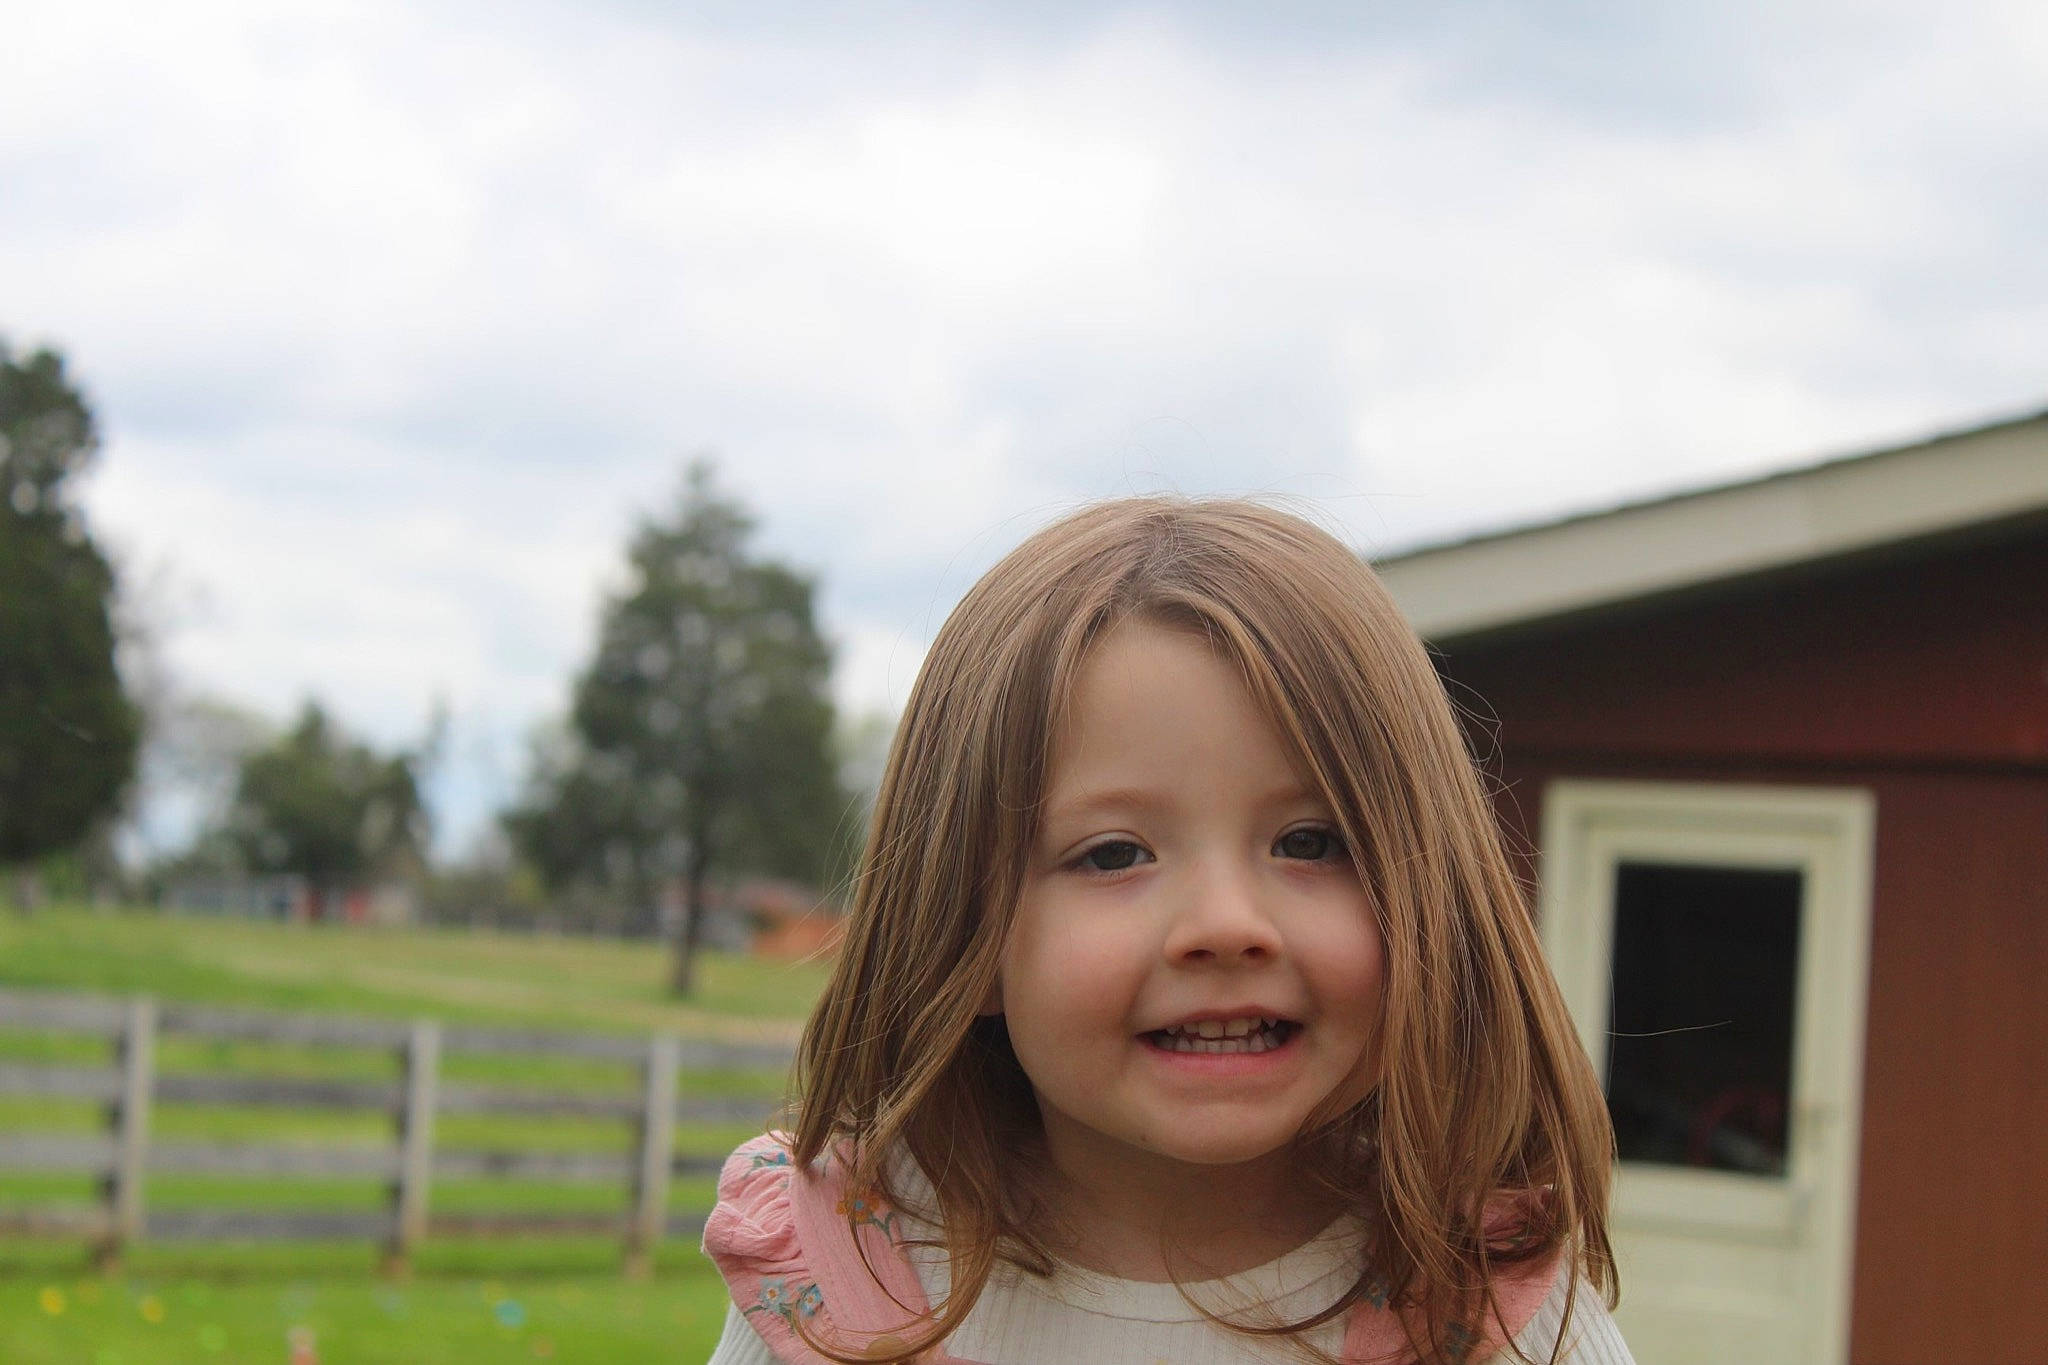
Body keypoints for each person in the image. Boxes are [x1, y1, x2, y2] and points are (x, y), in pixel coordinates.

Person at [703, 498, 1634, 1364]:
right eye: (1114, 854)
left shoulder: (1482, 1309)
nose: (1227, 926)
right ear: (963, 937)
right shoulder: (845, 1284)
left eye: (1310, 841)